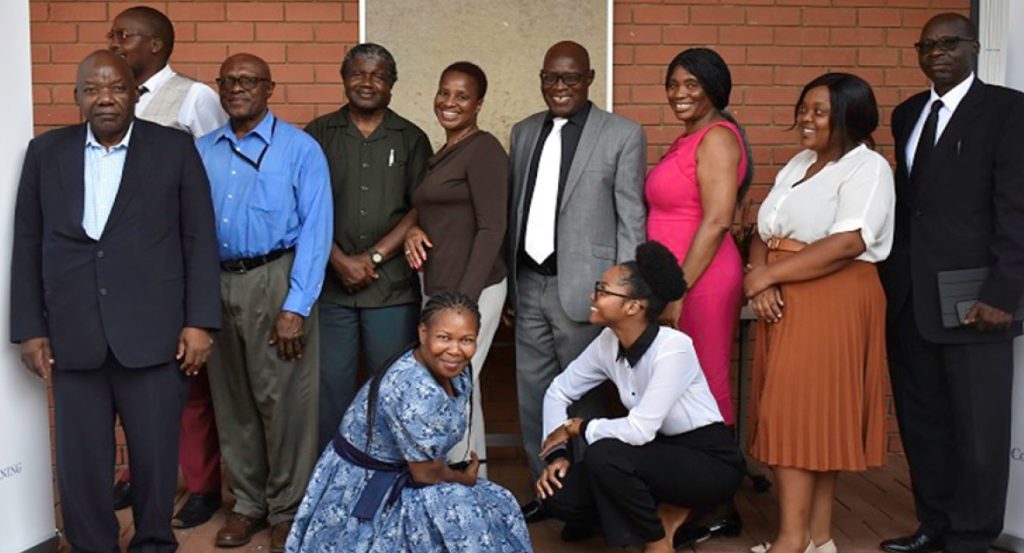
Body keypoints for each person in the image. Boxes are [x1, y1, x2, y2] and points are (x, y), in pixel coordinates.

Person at [10, 50, 221, 553]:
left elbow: (199, 238)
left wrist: (200, 322)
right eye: (93, 89)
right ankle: (91, 544)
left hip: (154, 335)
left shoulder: (173, 149)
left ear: (134, 94)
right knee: (82, 462)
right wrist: (30, 327)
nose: (105, 98)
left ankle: (153, 542)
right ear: (78, 97)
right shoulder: (46, 153)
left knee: (154, 456)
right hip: (74, 334)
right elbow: (27, 242)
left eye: (116, 88)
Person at [878, 13, 1024, 553]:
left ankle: (971, 536)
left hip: (977, 298)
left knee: (979, 428)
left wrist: (1003, 293)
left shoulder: (1008, 111)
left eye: (949, 43)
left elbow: (1017, 209)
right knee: (924, 420)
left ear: (974, 47)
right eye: (927, 45)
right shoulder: (907, 114)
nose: (938, 52)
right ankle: (934, 524)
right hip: (911, 298)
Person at [745, 73, 895, 553]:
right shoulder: (799, 164)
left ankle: (791, 541)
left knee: (799, 415)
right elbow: (764, 230)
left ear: (849, 117)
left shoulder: (867, 168)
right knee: (806, 416)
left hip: (833, 296)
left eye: (819, 111)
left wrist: (767, 277)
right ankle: (818, 539)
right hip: (787, 292)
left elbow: (849, 241)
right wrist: (762, 273)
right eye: (803, 108)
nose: (805, 119)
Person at [195, 53, 332, 553]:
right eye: (228, 81)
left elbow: (317, 230)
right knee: (232, 399)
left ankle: (287, 509)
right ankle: (248, 505)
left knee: (285, 403)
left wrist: (296, 305)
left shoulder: (300, 149)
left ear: (269, 88)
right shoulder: (201, 150)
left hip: (276, 279)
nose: (237, 88)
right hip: (216, 281)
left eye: (248, 80)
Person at [533, 241, 745, 553]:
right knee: (557, 495)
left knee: (604, 454)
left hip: (709, 461)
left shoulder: (674, 348)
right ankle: (661, 514)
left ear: (633, 307)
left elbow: (639, 430)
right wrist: (557, 454)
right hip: (656, 455)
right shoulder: (608, 342)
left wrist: (578, 427)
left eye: (603, 290)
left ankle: (657, 543)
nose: (593, 297)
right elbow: (559, 390)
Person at [285, 292, 534, 553]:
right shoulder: (413, 388)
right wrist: (463, 479)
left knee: (498, 503)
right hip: (367, 487)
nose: (455, 350)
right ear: (423, 333)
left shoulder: (455, 369)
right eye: (444, 337)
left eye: (466, 340)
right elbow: (425, 474)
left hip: (411, 471)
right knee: (467, 515)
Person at [508, 40, 647, 505]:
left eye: (570, 77)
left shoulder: (622, 134)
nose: (560, 86)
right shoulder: (524, 132)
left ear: (589, 79)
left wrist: (623, 295)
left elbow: (631, 220)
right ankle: (549, 495)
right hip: (529, 282)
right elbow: (516, 209)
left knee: (585, 397)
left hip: (589, 292)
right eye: (551, 77)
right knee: (533, 396)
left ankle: (586, 499)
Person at [105, 5, 228, 527]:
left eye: (123, 36)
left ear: (155, 44)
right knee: (132, 375)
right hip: (122, 269)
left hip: (173, 263)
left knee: (188, 379)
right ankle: (140, 474)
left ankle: (202, 485)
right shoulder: (111, 98)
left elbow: (215, 179)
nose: (114, 44)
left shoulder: (195, 98)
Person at [644, 47, 752, 544]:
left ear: (714, 88)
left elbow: (717, 220)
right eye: (673, 84)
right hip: (679, 278)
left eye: (691, 84)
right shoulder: (687, 138)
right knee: (679, 383)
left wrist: (679, 288)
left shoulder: (719, 138)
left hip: (701, 278)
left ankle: (719, 500)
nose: (679, 93)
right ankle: (695, 489)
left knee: (704, 382)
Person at [305, 43, 433, 450]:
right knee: (331, 393)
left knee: (391, 388)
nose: (367, 82)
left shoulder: (412, 138)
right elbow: (303, 207)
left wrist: (374, 256)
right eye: (358, 73)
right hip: (331, 289)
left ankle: (390, 475)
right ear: (344, 79)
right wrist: (339, 260)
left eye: (378, 76)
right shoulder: (318, 135)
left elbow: (421, 207)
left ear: (392, 84)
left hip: (390, 288)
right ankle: (333, 475)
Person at [403, 61, 509, 477]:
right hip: (440, 290)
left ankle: (460, 480)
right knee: (461, 384)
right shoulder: (444, 153)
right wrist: (414, 228)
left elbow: (491, 228)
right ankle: (474, 481)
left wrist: (463, 304)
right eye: (444, 92)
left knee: (453, 384)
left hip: (473, 291)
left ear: (479, 104)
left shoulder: (484, 150)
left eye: (462, 96)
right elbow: (435, 211)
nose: (450, 102)